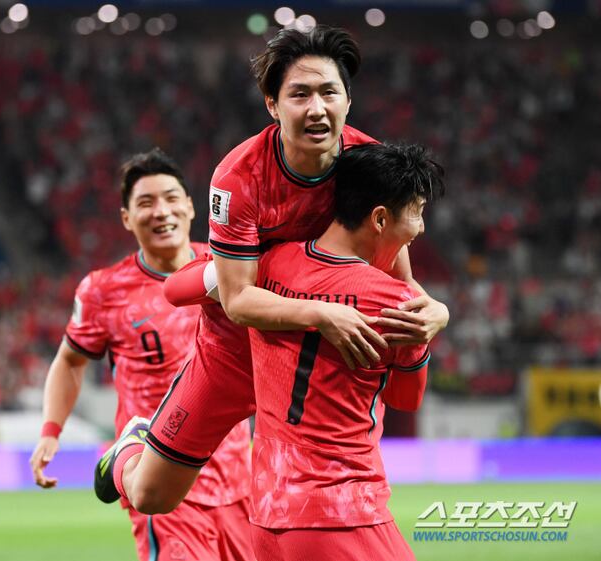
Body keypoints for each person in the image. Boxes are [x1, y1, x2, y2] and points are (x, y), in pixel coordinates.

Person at [94, 26, 448, 516]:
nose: (316, 108)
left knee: (312, 501)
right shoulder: (238, 178)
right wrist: (321, 313)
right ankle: (131, 447)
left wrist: (438, 312)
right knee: (152, 497)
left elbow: (395, 277)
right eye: (299, 95)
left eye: (329, 92)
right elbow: (238, 301)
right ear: (272, 105)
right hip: (233, 349)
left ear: (348, 101)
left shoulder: (369, 164)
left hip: (307, 354)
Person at [29, 148, 253, 561]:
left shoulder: (231, 269)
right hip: (164, 480)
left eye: (171, 198)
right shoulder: (104, 291)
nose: (161, 211)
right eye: (146, 203)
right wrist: (50, 430)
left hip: (240, 482)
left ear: (191, 206)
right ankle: (128, 452)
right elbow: (70, 361)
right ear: (126, 218)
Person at [249, 142, 443, 560]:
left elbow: (180, 287)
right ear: (380, 219)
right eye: (417, 212)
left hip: (267, 516)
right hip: (343, 513)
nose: (421, 228)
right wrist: (427, 330)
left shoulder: (270, 264)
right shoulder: (399, 306)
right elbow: (406, 399)